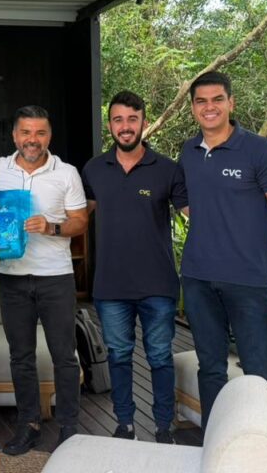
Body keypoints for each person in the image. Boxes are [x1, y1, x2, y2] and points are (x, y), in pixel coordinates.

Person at [176, 70, 267, 429]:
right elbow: (186, 198)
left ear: (231, 103)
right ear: (193, 108)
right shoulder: (188, 152)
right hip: (198, 279)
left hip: (247, 281)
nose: (209, 107)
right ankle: (215, 445)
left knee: (259, 373)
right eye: (201, 101)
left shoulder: (260, 151)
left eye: (217, 99)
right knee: (210, 369)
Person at [81, 91, 183, 444]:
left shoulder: (168, 169)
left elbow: (197, 214)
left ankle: (164, 426)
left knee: (160, 357)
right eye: (118, 120)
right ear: (110, 124)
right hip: (110, 285)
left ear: (143, 122)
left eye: (132, 119)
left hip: (158, 285)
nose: (125, 126)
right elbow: (78, 217)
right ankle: (124, 423)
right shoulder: (94, 169)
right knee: (119, 356)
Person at [0, 106, 88, 454]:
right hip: (11, 277)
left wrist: (51, 227)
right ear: (14, 135)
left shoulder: (66, 172)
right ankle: (28, 425)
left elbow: (80, 221)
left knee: (65, 356)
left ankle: (69, 428)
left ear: (49, 136)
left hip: (56, 277)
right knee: (21, 357)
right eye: (26, 132)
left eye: (40, 133)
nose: (32, 140)